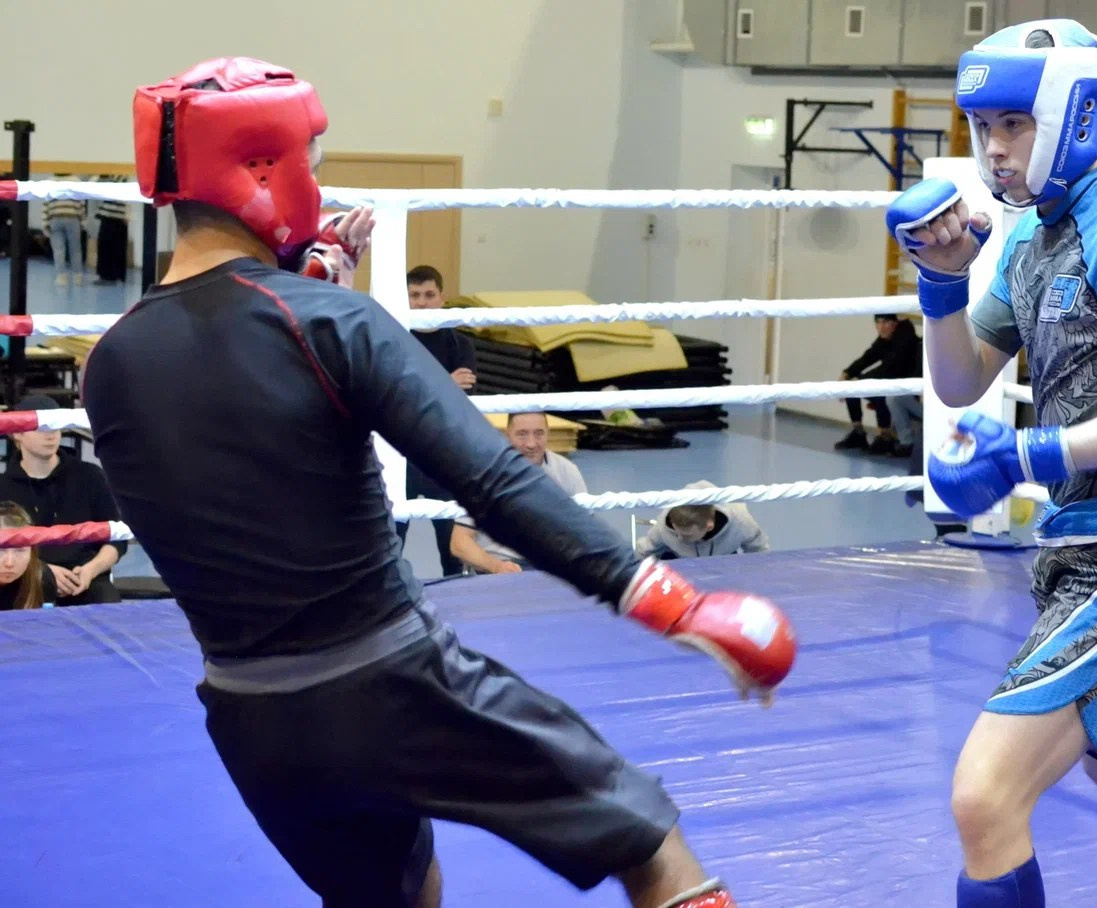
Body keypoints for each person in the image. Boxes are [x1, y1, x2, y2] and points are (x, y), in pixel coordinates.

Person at [82, 58, 795, 908]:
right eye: (308, 153)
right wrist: (672, 602)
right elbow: (492, 477)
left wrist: (300, 294)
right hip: (392, 684)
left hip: (251, 722)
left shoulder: (112, 361)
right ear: (263, 169)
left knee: (399, 893)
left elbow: (236, 443)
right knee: (650, 844)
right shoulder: (330, 324)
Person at [886, 20, 1097, 908]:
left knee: (983, 797)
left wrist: (1035, 450)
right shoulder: (1038, 243)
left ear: (1072, 116)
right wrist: (943, 282)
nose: (995, 151)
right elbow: (962, 382)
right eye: (983, 128)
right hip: (1079, 553)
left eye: (1014, 125)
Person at [0, 395, 126, 605]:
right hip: (27, 580)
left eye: (55, 427)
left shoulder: (90, 476)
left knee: (107, 606)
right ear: (17, 433)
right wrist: (43, 571)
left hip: (86, 578)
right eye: (41, 428)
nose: (50, 435)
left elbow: (116, 538)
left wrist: (90, 570)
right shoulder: (3, 487)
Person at [395, 264, 478, 575]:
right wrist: (444, 382)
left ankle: (462, 617)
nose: (421, 302)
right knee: (391, 543)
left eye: (429, 294)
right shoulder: (394, 339)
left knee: (452, 549)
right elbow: (390, 395)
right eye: (414, 295)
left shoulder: (461, 345)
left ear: (442, 298)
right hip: (400, 458)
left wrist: (418, 385)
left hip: (444, 457)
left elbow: (461, 399)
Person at [449, 412, 585, 574]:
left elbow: (585, 534)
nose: (531, 444)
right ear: (507, 436)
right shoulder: (483, 474)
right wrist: (496, 566)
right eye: (522, 434)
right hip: (497, 568)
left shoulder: (567, 472)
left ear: (548, 433)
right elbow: (459, 543)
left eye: (539, 433)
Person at [834, 313, 921, 453]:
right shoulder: (884, 340)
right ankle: (858, 433)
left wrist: (860, 380)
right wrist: (846, 373)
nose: (881, 327)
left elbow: (890, 369)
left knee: (881, 394)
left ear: (895, 324)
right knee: (851, 389)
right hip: (889, 382)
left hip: (904, 388)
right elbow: (867, 358)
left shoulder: (907, 341)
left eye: (885, 323)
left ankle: (885, 438)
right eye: (878, 323)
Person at [636, 481, 769, 559]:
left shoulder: (740, 522)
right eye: (677, 533)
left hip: (723, 560)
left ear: (709, 526)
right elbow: (644, 551)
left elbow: (759, 550)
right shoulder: (664, 526)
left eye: (687, 535)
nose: (680, 539)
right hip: (679, 563)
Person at [0, 501, 57, 610]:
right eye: (0, 550)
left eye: (20, 550)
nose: (9, 563)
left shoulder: (41, 577)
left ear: (32, 551)